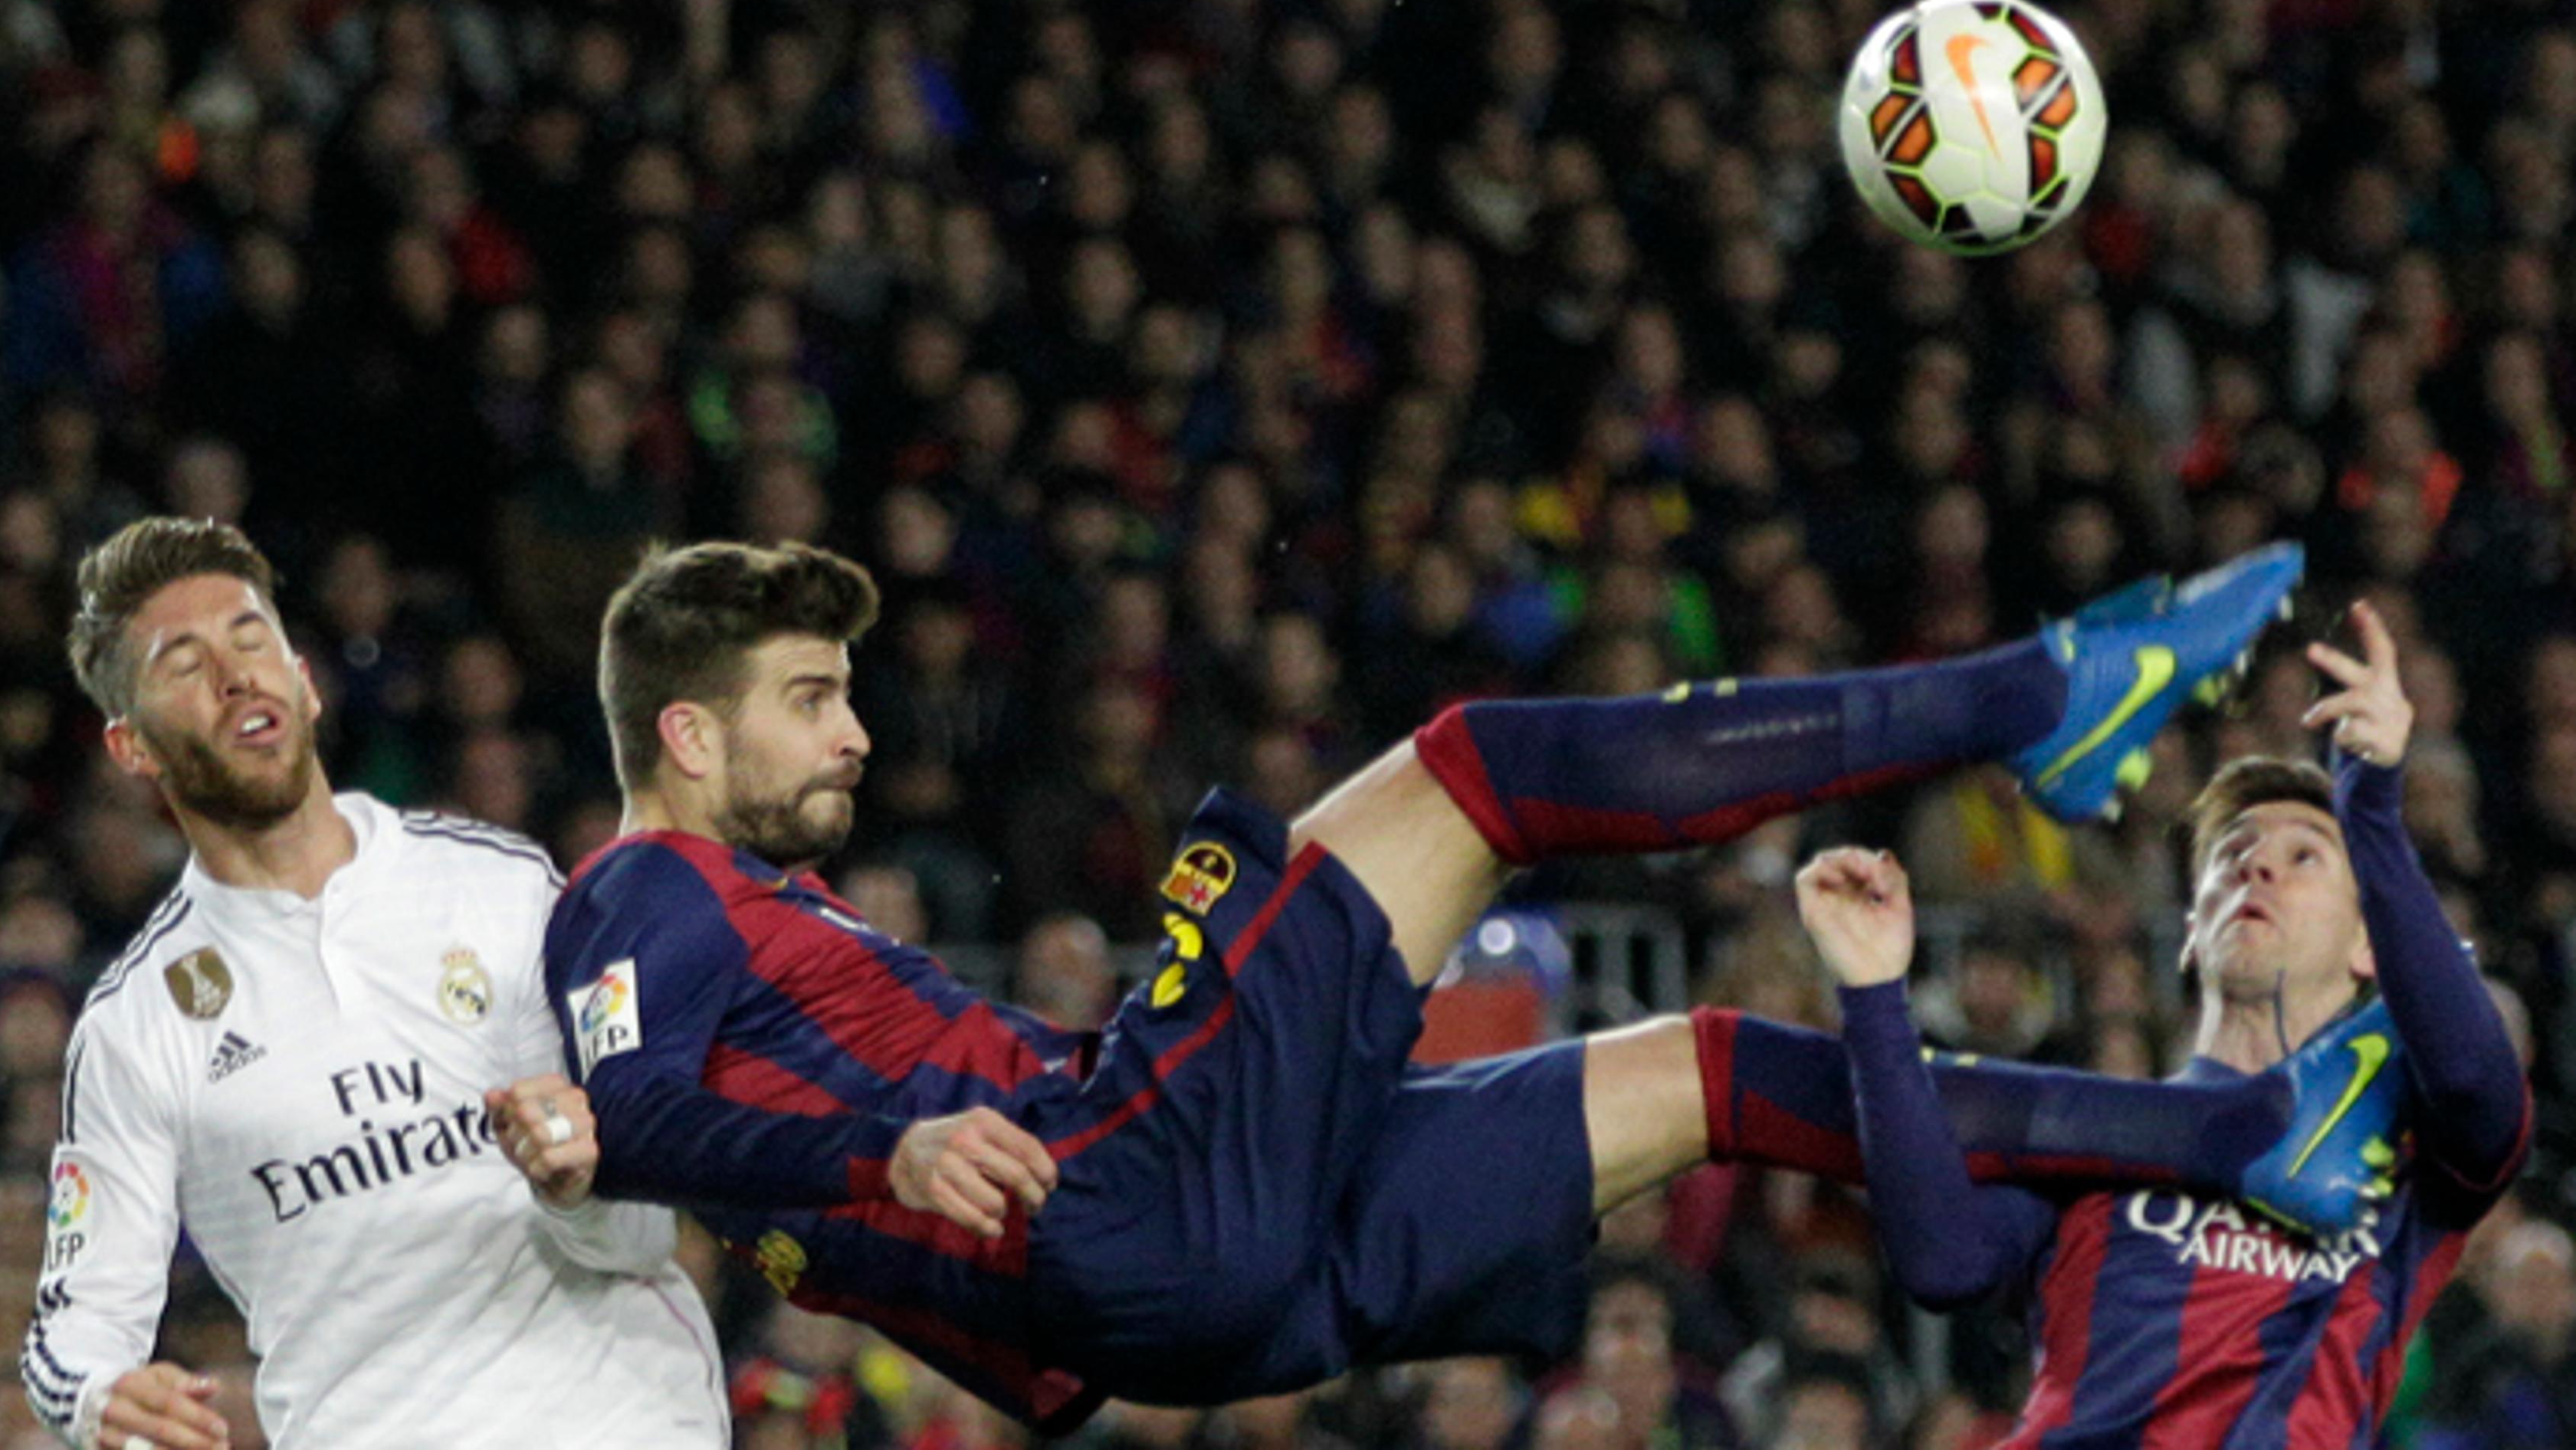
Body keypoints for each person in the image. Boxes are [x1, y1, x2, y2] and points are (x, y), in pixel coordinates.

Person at [535, 537, 2362, 1432]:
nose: (855, 731)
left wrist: (1025, 1334)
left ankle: (2227, 1135)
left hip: (1173, 1300)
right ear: (685, 734)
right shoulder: (643, 891)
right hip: (1124, 1186)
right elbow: (630, 1119)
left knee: (1705, 1068)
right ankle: (2038, 696)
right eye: (808, 699)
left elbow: (734, 1160)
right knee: (1475, 768)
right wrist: (899, 1157)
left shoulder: (747, 908)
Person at [24, 519, 726, 1450]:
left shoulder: (500, 885)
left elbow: (642, 1231)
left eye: (252, 640)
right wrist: (99, 1397)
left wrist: (582, 1188)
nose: (236, 676)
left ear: (305, 681)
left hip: (620, 1419)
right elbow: (74, 1325)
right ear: (133, 749)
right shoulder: (136, 1024)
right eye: (183, 665)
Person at [1795, 599, 2528, 1446]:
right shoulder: (2100, 1133)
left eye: (2303, 858)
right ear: (2190, 933)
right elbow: (1944, 1260)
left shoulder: (2402, 1157)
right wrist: (1874, 993)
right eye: (2229, 858)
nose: (2255, 864)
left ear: (2372, 943)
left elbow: (2479, 1076)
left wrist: (2370, 808)